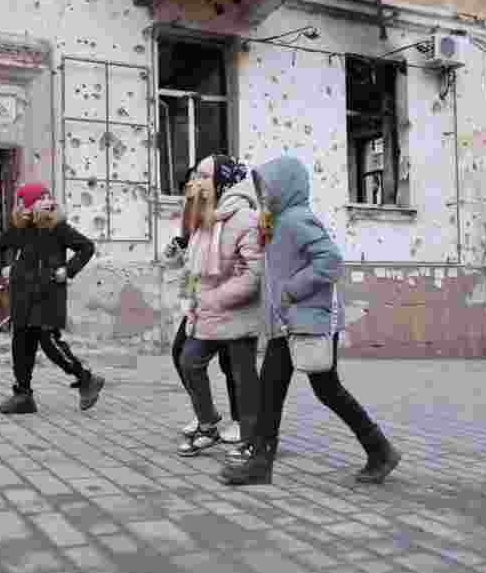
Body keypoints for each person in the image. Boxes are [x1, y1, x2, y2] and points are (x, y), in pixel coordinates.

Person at [219, 156, 401, 485]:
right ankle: (261, 463)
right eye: (260, 188)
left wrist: (291, 290)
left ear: (286, 187)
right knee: (273, 391)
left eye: (268, 187)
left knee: (325, 390)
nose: (264, 194)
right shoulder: (279, 221)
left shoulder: (297, 218)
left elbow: (330, 261)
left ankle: (380, 449)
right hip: (287, 323)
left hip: (307, 321)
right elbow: (285, 262)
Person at [175, 154, 263, 457]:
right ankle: (208, 423)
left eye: (202, 175)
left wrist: (217, 298)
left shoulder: (245, 219)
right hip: (207, 312)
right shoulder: (205, 217)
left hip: (237, 313)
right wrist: (188, 298)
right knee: (189, 361)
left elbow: (254, 274)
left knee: (243, 376)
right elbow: (191, 266)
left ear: (222, 181)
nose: (194, 182)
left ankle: (252, 438)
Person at [0, 182, 105, 414]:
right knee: (21, 344)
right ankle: (23, 395)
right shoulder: (19, 229)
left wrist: (68, 269)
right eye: (39, 198)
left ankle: (86, 379)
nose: (46, 201)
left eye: (47, 197)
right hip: (22, 297)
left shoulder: (58, 227)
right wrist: (2, 267)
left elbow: (86, 247)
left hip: (48, 295)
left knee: (49, 341)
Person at [163, 165, 240, 444]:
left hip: (226, 303)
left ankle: (242, 420)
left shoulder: (236, 213)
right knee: (180, 353)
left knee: (232, 363)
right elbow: (192, 257)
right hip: (200, 302)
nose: (195, 184)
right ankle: (205, 412)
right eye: (193, 179)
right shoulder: (198, 210)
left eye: (202, 178)